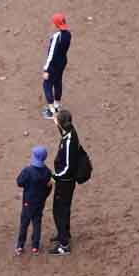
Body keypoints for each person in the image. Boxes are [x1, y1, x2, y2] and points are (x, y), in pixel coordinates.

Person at [50, 108, 85, 255]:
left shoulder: (69, 140)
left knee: (59, 210)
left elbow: (68, 167)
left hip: (65, 181)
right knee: (62, 209)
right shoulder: (69, 132)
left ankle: (63, 245)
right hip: (65, 180)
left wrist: (55, 176)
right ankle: (64, 233)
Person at [14, 143, 52, 255]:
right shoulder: (47, 172)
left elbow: (19, 182)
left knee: (24, 224)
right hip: (40, 203)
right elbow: (49, 188)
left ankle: (20, 245)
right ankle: (35, 246)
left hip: (28, 203)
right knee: (37, 223)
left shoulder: (28, 171)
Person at [41, 12, 70, 115]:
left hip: (53, 65)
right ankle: (57, 105)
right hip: (62, 63)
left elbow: (51, 54)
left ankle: (52, 110)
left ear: (56, 24)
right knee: (58, 82)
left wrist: (46, 69)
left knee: (46, 84)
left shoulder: (56, 37)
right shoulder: (68, 35)